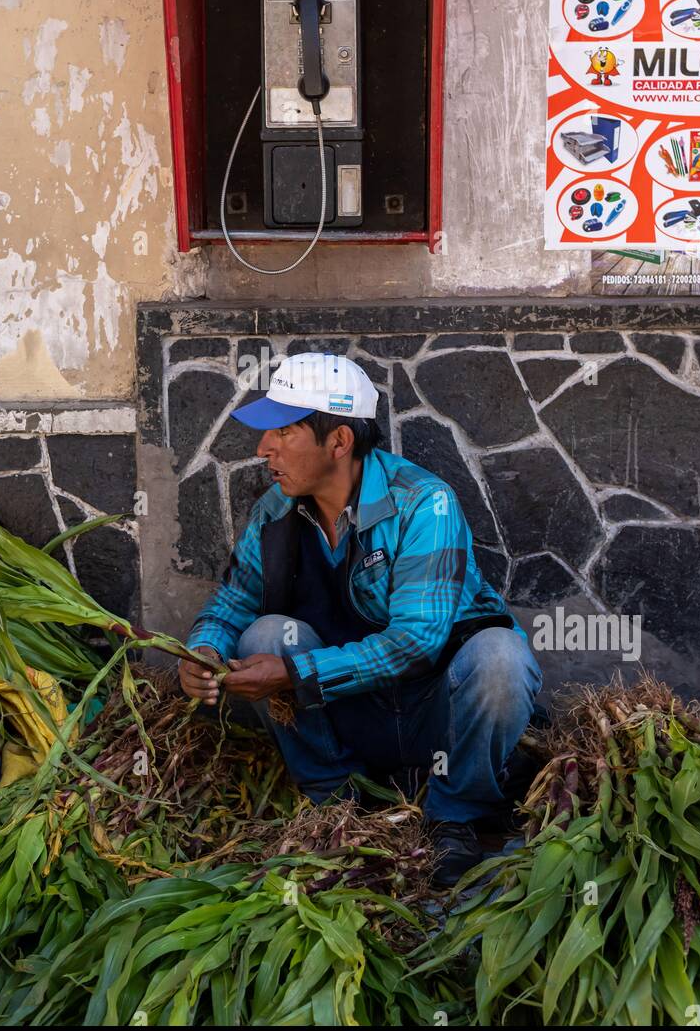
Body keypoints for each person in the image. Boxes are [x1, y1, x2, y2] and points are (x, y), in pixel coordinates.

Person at [180, 352, 543, 886]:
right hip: (350, 713)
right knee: (264, 634)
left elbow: (416, 643)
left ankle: (455, 818)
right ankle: (339, 808)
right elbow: (231, 604)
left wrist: (296, 675)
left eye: (282, 431)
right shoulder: (276, 513)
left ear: (339, 441)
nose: (263, 449)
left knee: (500, 657)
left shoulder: (424, 504)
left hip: (435, 711)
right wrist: (204, 652)